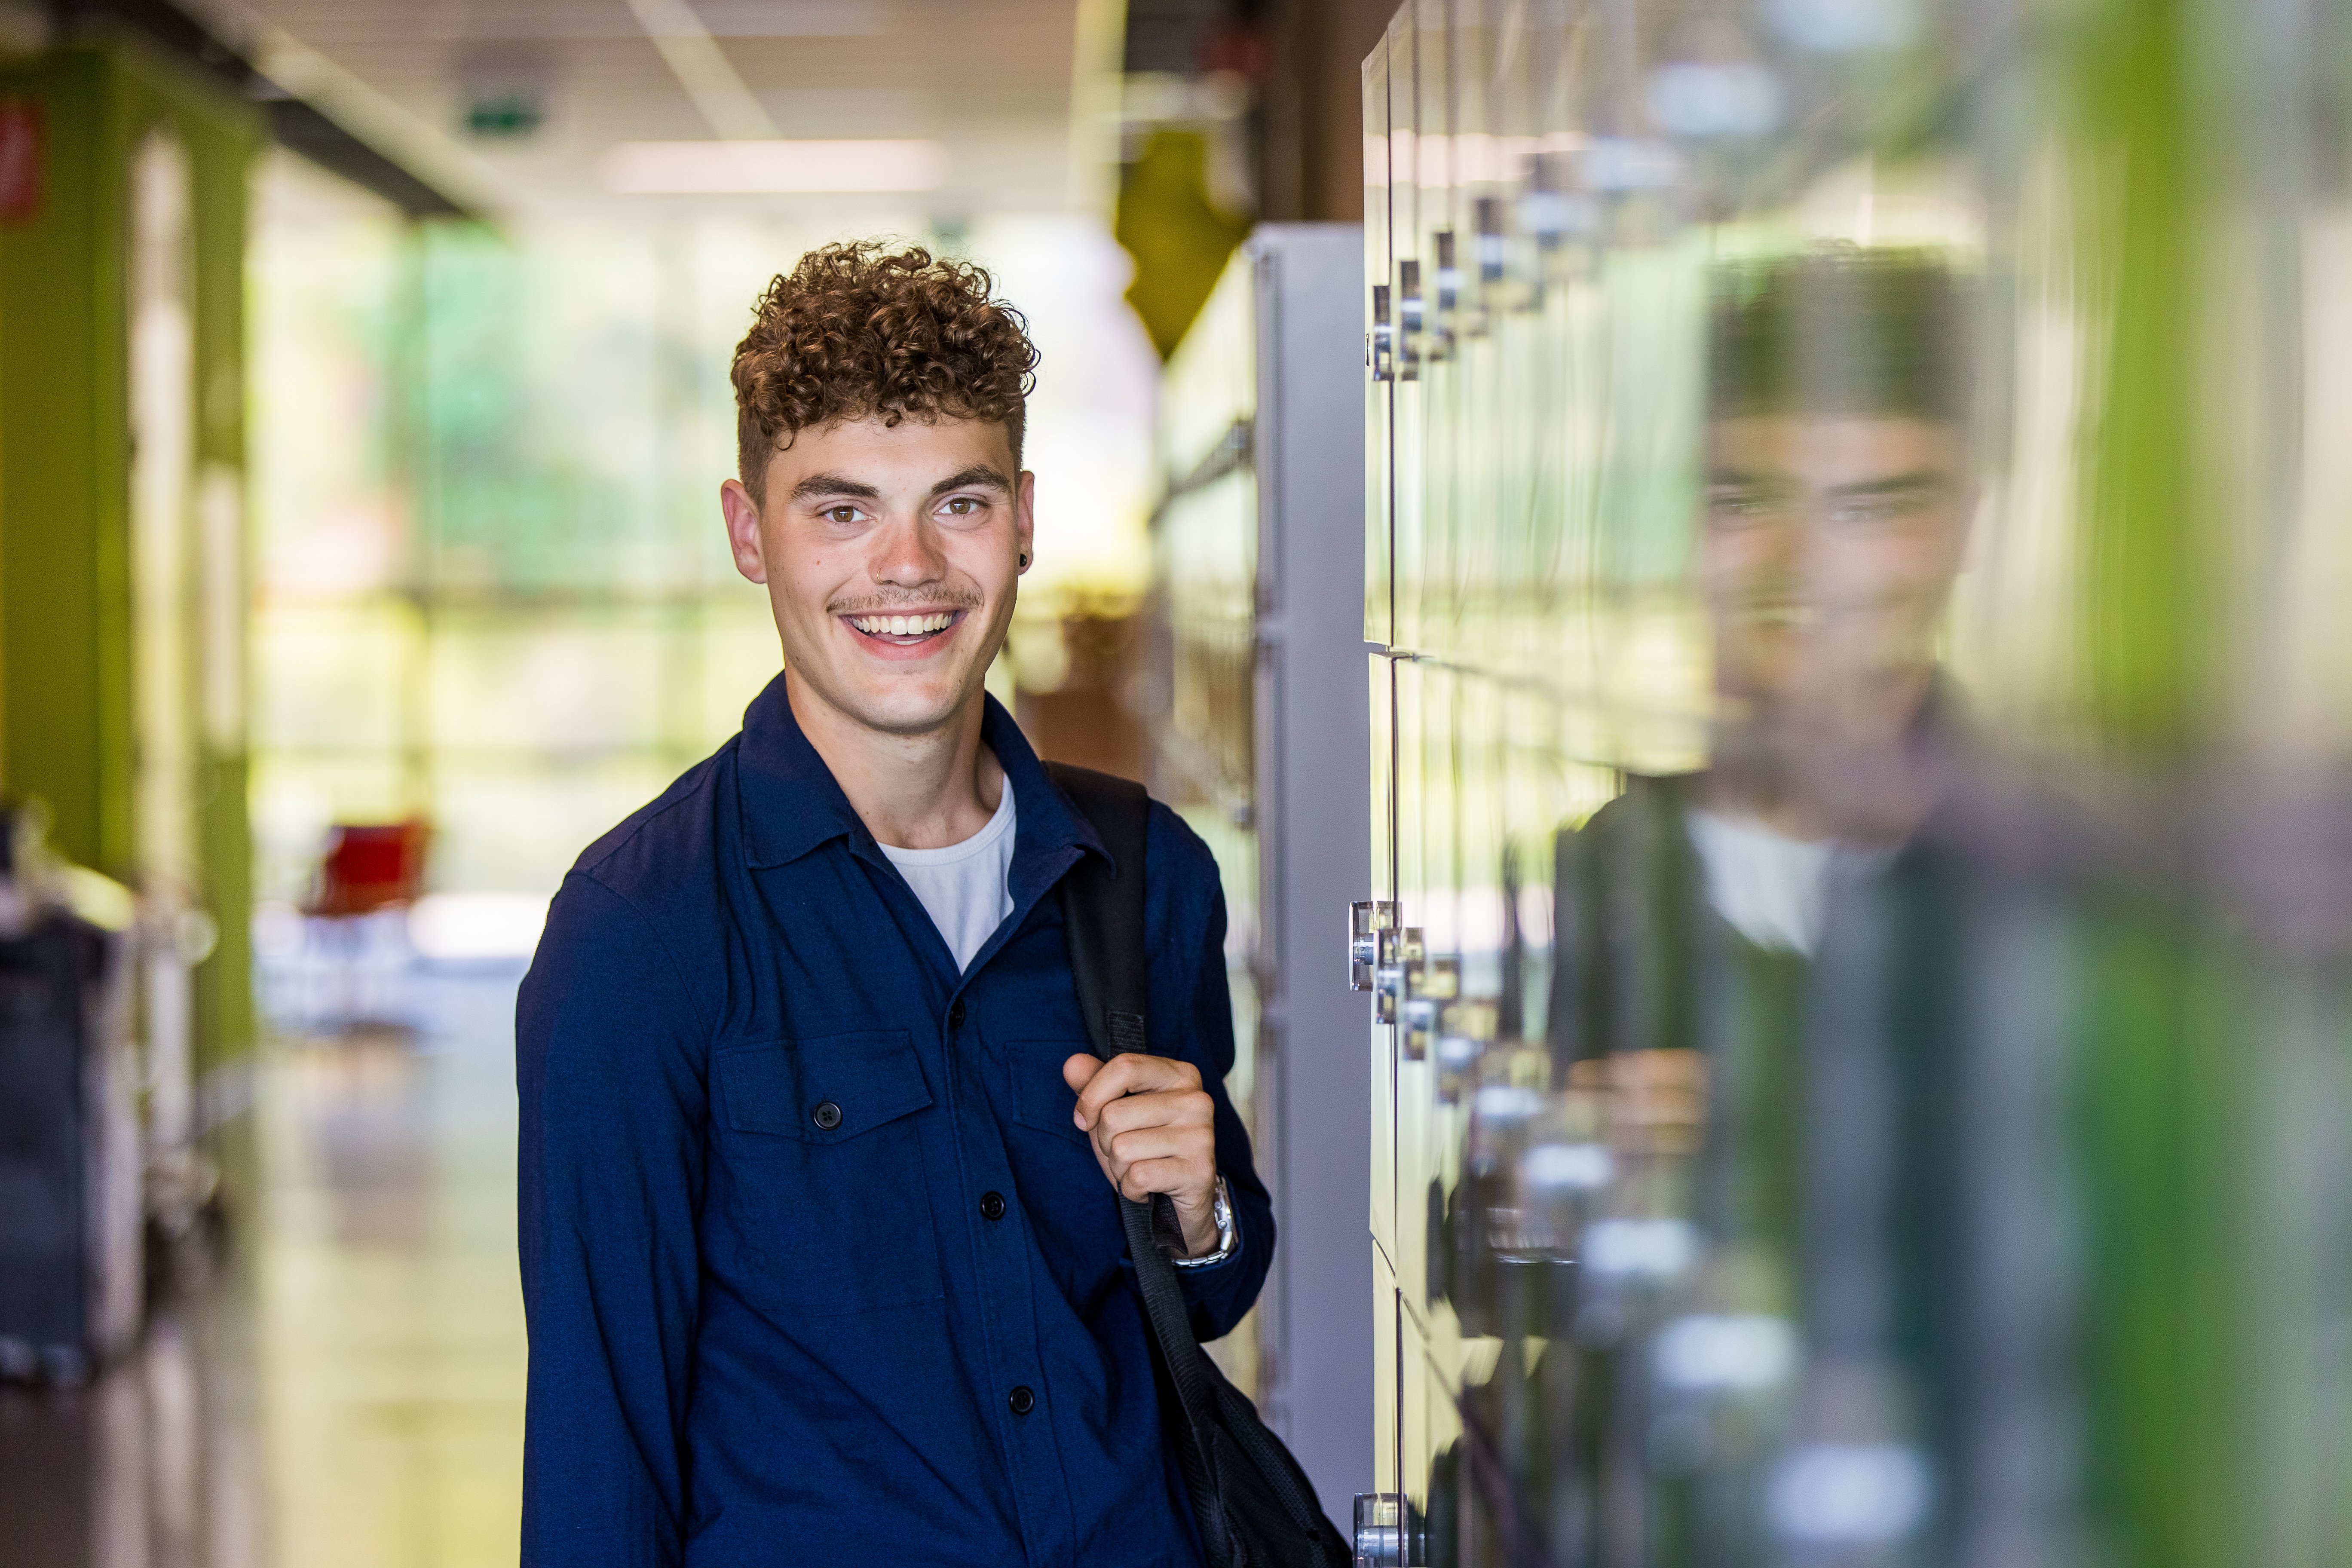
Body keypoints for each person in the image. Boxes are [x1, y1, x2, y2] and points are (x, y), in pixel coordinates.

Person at [515, 242, 1271, 1567]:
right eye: (843, 509)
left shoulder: (1146, 871)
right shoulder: (639, 934)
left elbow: (1207, 1291)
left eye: (960, 504)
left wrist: (1201, 1215)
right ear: (751, 534)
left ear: (1025, 520)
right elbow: (599, 1436)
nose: (909, 567)